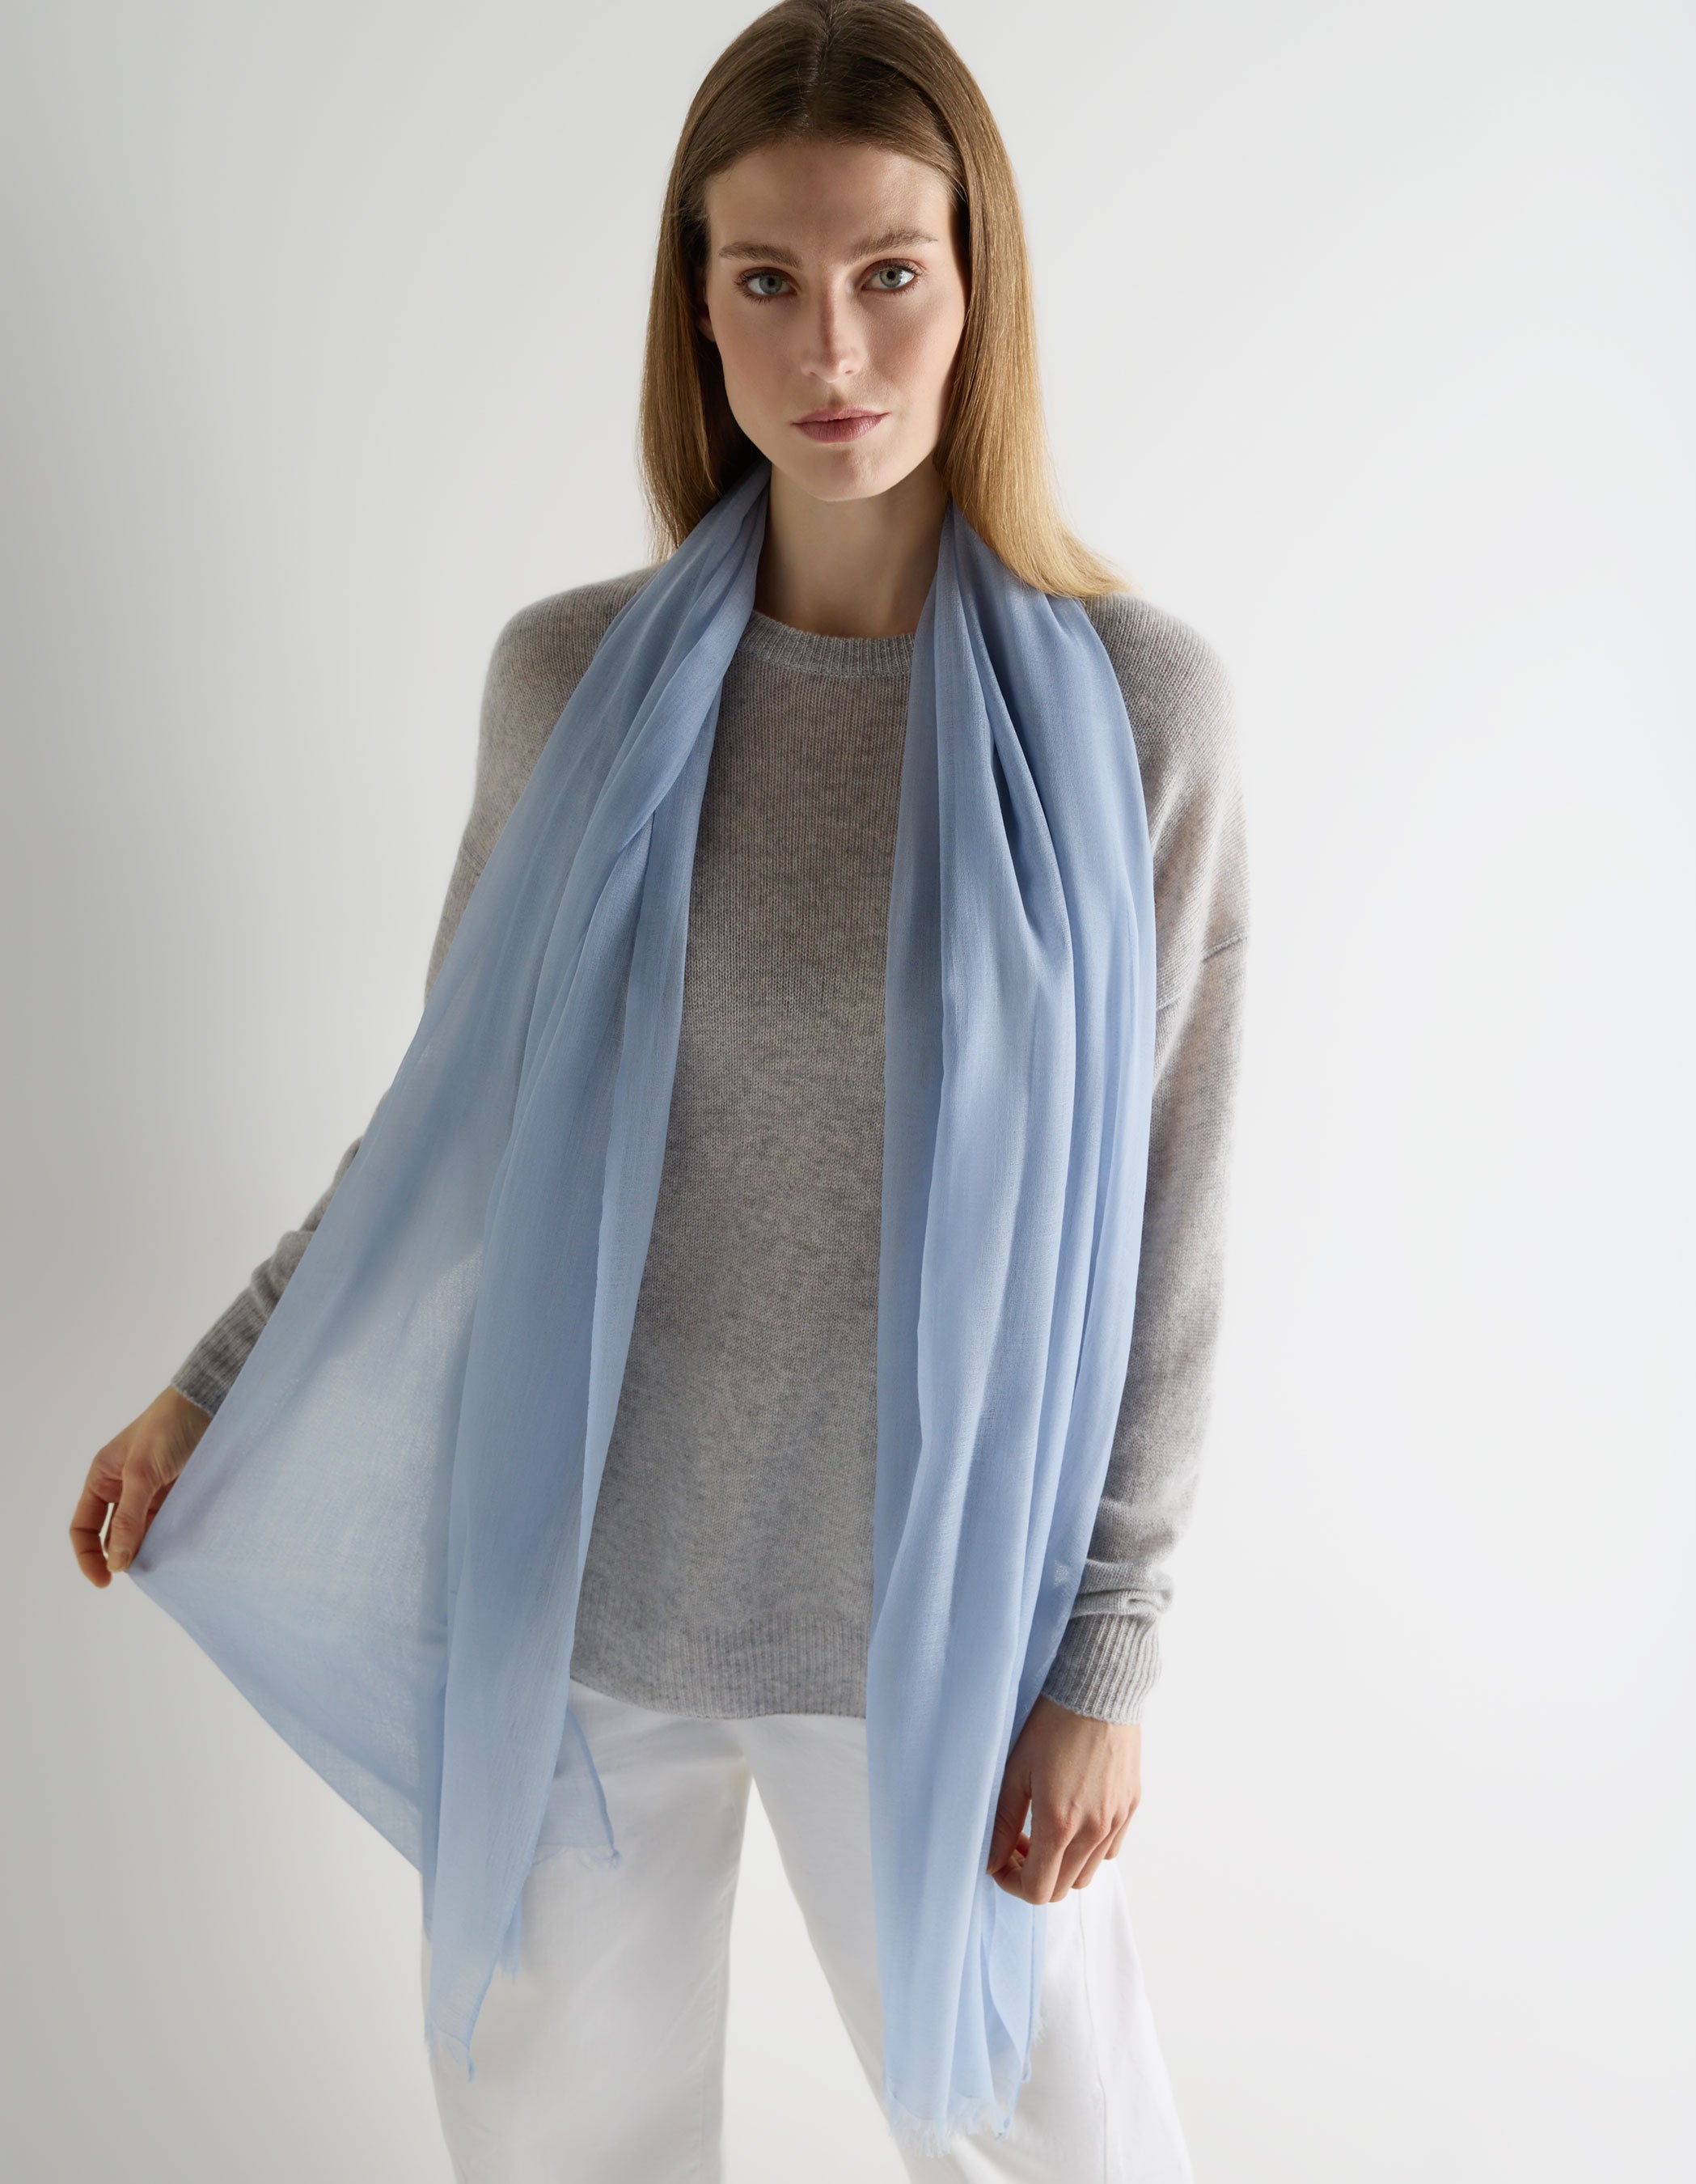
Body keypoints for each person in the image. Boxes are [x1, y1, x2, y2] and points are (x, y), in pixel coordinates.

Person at [68, 2, 1247, 2176]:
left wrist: (1114, 1650)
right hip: (580, 1593)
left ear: (979, 286)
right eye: (767, 279)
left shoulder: (1135, 719)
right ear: (695, 306)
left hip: (935, 1612)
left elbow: (1176, 1224)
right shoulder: (571, 686)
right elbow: (452, 1128)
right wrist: (209, 1389)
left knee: (1064, 2148)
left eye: (891, 272)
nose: (834, 349)